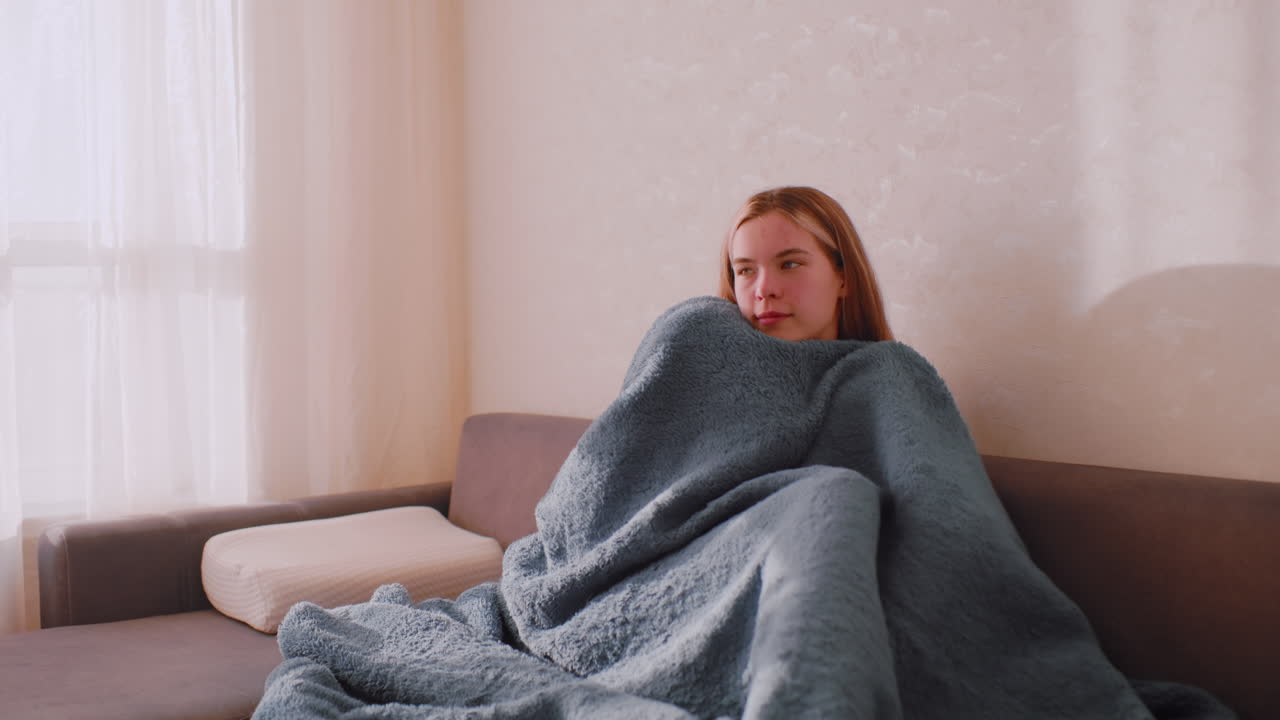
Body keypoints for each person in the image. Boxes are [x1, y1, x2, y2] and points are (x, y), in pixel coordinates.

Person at [719, 185, 894, 342]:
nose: (764, 290)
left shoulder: (891, 375)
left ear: (845, 276)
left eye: (789, 265)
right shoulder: (698, 369)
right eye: (746, 270)